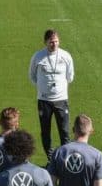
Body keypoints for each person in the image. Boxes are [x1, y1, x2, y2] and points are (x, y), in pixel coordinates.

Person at [29, 29, 74, 160]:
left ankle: (65, 158)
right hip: (44, 100)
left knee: (64, 131)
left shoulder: (65, 56)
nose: (54, 44)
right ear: (45, 42)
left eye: (56, 41)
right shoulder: (38, 56)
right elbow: (32, 75)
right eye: (51, 42)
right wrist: (42, 87)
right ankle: (50, 158)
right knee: (45, 131)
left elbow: (70, 76)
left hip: (61, 99)